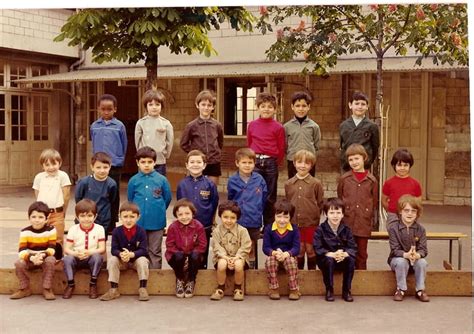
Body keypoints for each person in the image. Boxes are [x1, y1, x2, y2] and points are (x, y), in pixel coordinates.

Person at [127, 146, 172, 269]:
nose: (146, 165)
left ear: (155, 162)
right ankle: (141, 277)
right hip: (139, 223)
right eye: (143, 162)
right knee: (140, 250)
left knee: (155, 251)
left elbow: (167, 198)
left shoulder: (162, 180)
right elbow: (130, 200)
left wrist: (159, 210)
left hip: (156, 222)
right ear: (137, 163)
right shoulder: (133, 181)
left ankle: (155, 279)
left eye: (149, 162)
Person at [90, 93, 127, 233]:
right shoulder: (94, 126)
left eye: (109, 109)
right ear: (99, 109)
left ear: (115, 109)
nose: (106, 112)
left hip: (114, 165)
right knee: (98, 192)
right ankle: (98, 220)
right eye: (103, 109)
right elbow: (93, 142)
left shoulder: (119, 126)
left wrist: (119, 159)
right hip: (99, 165)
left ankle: (112, 222)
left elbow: (124, 144)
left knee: (113, 192)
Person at [247, 92, 285, 226]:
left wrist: (274, 162)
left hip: (270, 163)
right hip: (256, 162)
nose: (266, 109)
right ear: (258, 108)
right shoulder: (252, 125)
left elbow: (281, 148)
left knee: (270, 197)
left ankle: (268, 226)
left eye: (270, 106)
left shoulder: (278, 127)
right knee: (255, 194)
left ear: (275, 109)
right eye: (263, 106)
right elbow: (249, 143)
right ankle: (255, 224)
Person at [337, 144, 378, 270]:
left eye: (356, 158)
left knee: (361, 254)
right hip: (347, 222)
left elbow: (374, 201)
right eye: (351, 160)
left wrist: (368, 216)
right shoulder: (344, 179)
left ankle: (361, 281)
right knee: (347, 253)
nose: (354, 162)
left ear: (364, 158)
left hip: (363, 223)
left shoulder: (372, 180)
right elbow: (340, 198)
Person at [176, 150, 219, 269]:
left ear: (204, 165)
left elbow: (214, 203)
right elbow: (179, 204)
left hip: (204, 225)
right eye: (192, 162)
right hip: (186, 224)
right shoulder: (182, 184)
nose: (195, 164)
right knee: (186, 252)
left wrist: (212, 220)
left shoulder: (210, 184)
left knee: (201, 254)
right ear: (187, 165)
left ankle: (201, 278)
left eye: (199, 162)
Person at [100, 201, 150, 302]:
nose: (128, 220)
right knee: (112, 260)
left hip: (135, 261)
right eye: (125, 216)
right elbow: (114, 249)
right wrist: (120, 254)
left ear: (138, 217)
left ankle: (143, 288)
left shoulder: (141, 231)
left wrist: (132, 254)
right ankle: (113, 289)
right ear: (120, 217)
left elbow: (144, 250)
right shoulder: (116, 231)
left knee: (143, 261)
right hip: (122, 261)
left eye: (132, 217)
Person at [227, 148, 267, 269]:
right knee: (238, 247)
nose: (247, 165)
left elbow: (264, 198)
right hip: (238, 221)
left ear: (254, 164)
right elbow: (231, 200)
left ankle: (252, 271)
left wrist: (258, 211)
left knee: (251, 247)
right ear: (237, 163)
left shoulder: (259, 179)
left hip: (254, 219)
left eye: (250, 163)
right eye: (244, 162)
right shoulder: (232, 180)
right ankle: (239, 270)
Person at [284, 149, 323, 270]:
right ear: (294, 163)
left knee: (311, 250)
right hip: (295, 223)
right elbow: (288, 202)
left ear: (311, 165)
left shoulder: (316, 183)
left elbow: (320, 202)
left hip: (311, 223)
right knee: (299, 250)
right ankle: (299, 275)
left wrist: (315, 216)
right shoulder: (289, 183)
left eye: (307, 163)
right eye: (300, 162)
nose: (303, 166)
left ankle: (312, 275)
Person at [10, 201, 57, 300]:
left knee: (51, 260)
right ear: (29, 218)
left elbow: (52, 249)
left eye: (41, 217)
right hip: (31, 259)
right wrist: (32, 258)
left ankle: (47, 288)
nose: (37, 220)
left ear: (46, 219)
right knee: (19, 263)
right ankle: (25, 288)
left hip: (44, 258)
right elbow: (22, 251)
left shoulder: (51, 230)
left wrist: (42, 256)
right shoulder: (25, 231)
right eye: (34, 217)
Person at [313, 198, 357, 302]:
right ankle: (329, 290)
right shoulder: (320, 229)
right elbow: (317, 248)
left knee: (351, 260)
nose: (335, 216)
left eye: (338, 212)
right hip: (326, 259)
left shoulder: (347, 229)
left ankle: (346, 291)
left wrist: (344, 254)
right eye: (332, 212)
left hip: (342, 257)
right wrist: (331, 254)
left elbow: (353, 247)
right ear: (326, 214)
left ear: (342, 214)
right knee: (329, 261)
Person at [388, 195, 429, 302]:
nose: (410, 213)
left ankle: (420, 290)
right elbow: (394, 249)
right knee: (402, 262)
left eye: (413, 211)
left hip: (415, 259)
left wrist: (417, 255)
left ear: (417, 214)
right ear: (400, 212)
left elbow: (423, 249)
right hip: (397, 259)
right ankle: (400, 289)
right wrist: (406, 255)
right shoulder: (393, 228)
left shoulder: (421, 229)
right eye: (406, 210)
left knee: (422, 262)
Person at [62, 199, 106, 299]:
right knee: (67, 259)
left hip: (90, 257)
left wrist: (89, 252)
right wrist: (76, 253)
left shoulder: (99, 228)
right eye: (82, 216)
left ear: (95, 216)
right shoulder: (73, 229)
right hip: (77, 257)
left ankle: (93, 283)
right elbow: (67, 249)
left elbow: (102, 248)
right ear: (77, 217)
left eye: (90, 216)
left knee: (98, 257)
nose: (86, 219)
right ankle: (70, 284)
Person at [180, 89, 223, 185]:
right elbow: (183, 144)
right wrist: (195, 153)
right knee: (195, 190)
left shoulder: (217, 125)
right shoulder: (191, 125)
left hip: (213, 162)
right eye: (203, 105)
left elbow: (220, 142)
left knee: (212, 190)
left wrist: (216, 153)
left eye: (209, 105)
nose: (206, 108)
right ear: (197, 105)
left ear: (213, 107)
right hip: (197, 162)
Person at [210, 200, 251, 301]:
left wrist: (237, 257)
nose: (229, 220)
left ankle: (238, 288)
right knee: (222, 264)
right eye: (225, 217)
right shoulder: (216, 231)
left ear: (237, 218)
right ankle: (220, 288)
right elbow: (217, 247)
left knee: (238, 265)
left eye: (233, 218)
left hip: (239, 257)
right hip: (222, 257)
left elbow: (246, 246)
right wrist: (226, 258)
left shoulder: (242, 231)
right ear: (220, 216)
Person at [32, 148, 71, 256]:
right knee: (41, 237)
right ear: (42, 165)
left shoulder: (62, 176)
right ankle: (42, 260)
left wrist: (63, 211)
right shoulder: (39, 177)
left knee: (57, 239)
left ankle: (58, 262)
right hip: (42, 213)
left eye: (54, 164)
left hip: (57, 212)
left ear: (60, 163)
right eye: (47, 165)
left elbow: (66, 195)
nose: (51, 168)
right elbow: (37, 193)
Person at [166, 199, 207, 298]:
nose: (184, 217)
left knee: (196, 255)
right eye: (180, 214)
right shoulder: (173, 227)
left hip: (192, 256)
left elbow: (202, 245)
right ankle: (179, 279)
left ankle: (191, 281)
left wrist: (189, 257)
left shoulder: (199, 226)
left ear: (193, 213)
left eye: (187, 213)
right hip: (177, 256)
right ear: (176, 215)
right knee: (178, 256)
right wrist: (183, 256)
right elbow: (170, 245)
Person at [262, 199, 301, 301]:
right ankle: (274, 288)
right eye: (279, 216)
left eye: (286, 217)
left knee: (291, 261)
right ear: (274, 216)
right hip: (275, 256)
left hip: (288, 257)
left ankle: (294, 289)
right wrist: (275, 253)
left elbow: (296, 248)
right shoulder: (269, 228)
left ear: (290, 217)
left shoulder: (294, 229)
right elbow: (266, 248)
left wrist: (286, 254)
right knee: (270, 261)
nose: (282, 220)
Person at [75, 152, 118, 239]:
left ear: (110, 167)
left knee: (100, 245)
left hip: (103, 220)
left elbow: (114, 203)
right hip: (85, 219)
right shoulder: (84, 182)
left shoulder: (112, 184)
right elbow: (78, 199)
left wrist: (112, 222)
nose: (102, 170)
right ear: (92, 167)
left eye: (105, 167)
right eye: (98, 167)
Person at [135, 89, 174, 176]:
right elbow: (137, 141)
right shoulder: (141, 123)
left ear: (162, 106)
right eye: (150, 104)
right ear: (146, 106)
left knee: (158, 186)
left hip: (160, 161)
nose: (154, 107)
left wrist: (164, 155)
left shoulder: (166, 123)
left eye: (157, 104)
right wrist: (141, 155)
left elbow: (169, 142)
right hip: (144, 161)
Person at [339, 91, 379, 172]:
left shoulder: (372, 126)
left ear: (367, 106)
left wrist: (368, 161)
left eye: (363, 104)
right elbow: (342, 146)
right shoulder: (343, 125)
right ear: (350, 105)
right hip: (347, 165)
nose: (360, 107)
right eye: (357, 104)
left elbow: (375, 147)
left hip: (364, 166)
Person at [284, 91, 320, 179]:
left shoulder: (314, 126)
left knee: (309, 184)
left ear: (309, 107)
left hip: (309, 161)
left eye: (304, 106)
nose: (301, 109)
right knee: (293, 183)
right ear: (292, 107)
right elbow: (285, 145)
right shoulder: (286, 126)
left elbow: (316, 144)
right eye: (297, 106)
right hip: (293, 160)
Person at [382, 148, 422, 226]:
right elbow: (384, 201)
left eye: (405, 165)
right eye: (399, 165)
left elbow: (418, 202)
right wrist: (392, 211)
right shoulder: (388, 183)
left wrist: (409, 212)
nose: (402, 168)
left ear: (410, 165)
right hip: (393, 216)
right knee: (394, 236)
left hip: (409, 215)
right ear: (394, 165)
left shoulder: (415, 184)